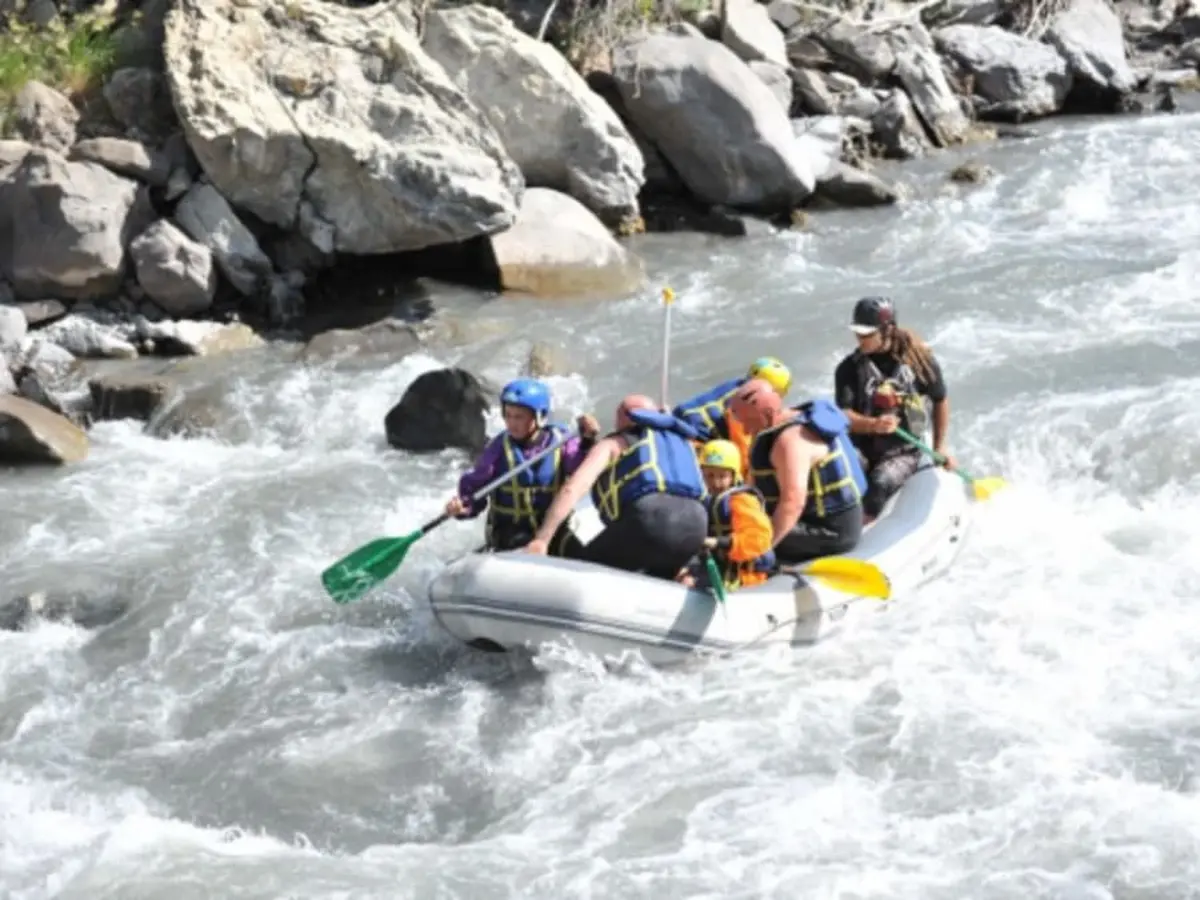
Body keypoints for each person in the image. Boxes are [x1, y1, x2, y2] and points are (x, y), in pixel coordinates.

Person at [524, 394, 708, 579]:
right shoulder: (682, 442)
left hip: (650, 522)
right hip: (697, 528)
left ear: (622, 418)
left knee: (573, 555)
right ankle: (684, 577)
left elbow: (572, 489)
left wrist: (542, 540)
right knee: (661, 570)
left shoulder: (615, 443)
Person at [833, 296, 955, 521]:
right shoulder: (848, 369)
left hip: (904, 449)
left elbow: (940, 399)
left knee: (879, 484)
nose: (860, 340)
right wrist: (874, 425)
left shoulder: (920, 361)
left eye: (867, 335)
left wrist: (940, 446)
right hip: (862, 444)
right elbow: (844, 415)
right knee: (841, 474)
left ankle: (862, 528)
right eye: (857, 334)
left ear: (887, 330)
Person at [445, 377, 600, 554]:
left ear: (539, 417)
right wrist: (462, 507)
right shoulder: (497, 449)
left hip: (553, 529)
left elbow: (581, 469)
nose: (512, 423)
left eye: (519, 417)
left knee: (584, 546)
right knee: (519, 542)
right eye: (508, 415)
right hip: (510, 532)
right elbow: (474, 490)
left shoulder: (561, 441)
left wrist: (588, 441)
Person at [730, 378, 868, 564]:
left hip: (831, 530)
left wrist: (762, 550)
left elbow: (793, 504)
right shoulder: (789, 419)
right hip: (815, 519)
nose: (746, 431)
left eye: (749, 422)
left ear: (767, 413)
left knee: (748, 540)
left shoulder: (790, 442)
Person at [676, 439, 775, 591]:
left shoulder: (743, 500)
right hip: (714, 564)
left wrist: (718, 542)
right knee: (681, 577)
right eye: (709, 475)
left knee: (689, 583)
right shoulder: (702, 498)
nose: (716, 483)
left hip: (743, 575)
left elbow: (758, 538)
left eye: (722, 476)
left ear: (734, 476)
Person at [672, 356, 793, 476]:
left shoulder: (737, 387)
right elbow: (742, 447)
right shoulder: (746, 403)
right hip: (693, 440)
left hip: (680, 422)